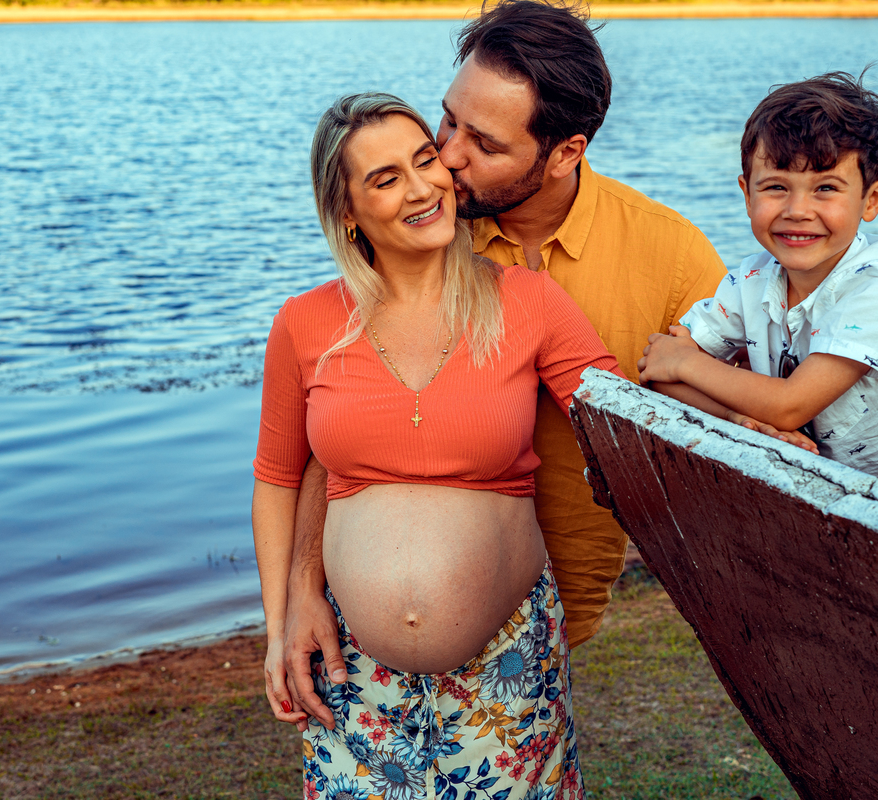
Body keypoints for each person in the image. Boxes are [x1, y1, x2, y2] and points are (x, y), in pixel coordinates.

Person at [277, 0, 729, 734]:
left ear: (563, 153)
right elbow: (339, 427)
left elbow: (706, 428)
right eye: (447, 120)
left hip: (546, 612)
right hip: (369, 638)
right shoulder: (418, 233)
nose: (446, 157)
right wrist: (299, 588)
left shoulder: (672, 259)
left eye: (481, 141)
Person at [253, 92, 623, 798]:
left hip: (507, 664)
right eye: (386, 178)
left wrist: (747, 407)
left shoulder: (529, 301)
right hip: (349, 666)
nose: (423, 188)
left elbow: (620, 423)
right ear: (346, 212)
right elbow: (278, 478)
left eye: (426, 161)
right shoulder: (305, 324)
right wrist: (284, 618)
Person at [638, 71, 878, 532]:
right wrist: (739, 417)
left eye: (826, 188)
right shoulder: (751, 280)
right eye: (776, 186)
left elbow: (787, 406)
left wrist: (686, 364)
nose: (798, 209)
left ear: (872, 198)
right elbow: (658, 377)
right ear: (746, 194)